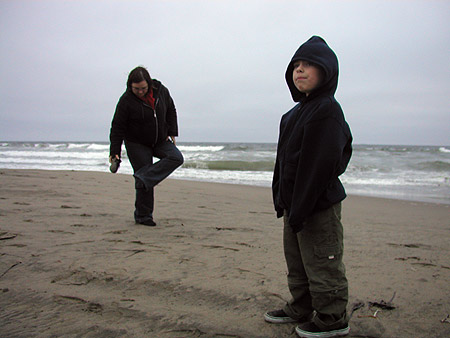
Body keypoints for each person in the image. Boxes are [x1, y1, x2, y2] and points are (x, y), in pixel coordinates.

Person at [264, 36, 353, 338]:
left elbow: (324, 163)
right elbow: (283, 163)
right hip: (294, 205)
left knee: (322, 261)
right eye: (295, 66)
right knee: (298, 262)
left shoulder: (327, 110)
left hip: (318, 205)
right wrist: (282, 199)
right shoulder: (291, 116)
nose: (299, 70)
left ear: (327, 70)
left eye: (308, 65)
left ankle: (332, 317)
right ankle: (301, 306)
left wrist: (304, 204)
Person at [109, 66, 184, 226]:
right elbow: (117, 126)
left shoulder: (161, 91)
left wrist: (172, 131)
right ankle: (144, 217)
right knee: (145, 172)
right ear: (130, 86)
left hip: (159, 139)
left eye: (143, 88)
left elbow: (171, 109)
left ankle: (143, 178)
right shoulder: (126, 101)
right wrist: (114, 151)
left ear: (149, 84)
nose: (140, 91)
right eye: (136, 89)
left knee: (176, 158)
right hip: (137, 142)